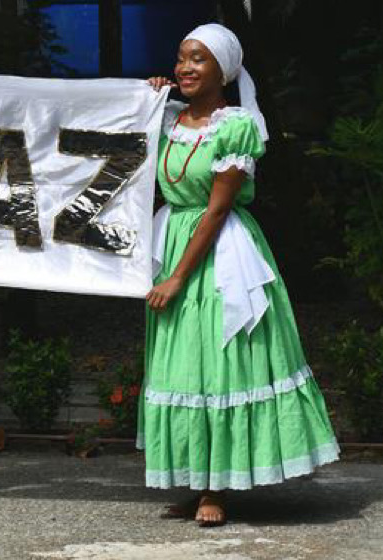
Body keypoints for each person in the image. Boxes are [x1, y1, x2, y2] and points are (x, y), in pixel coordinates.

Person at [141, 23, 339, 527]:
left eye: (199, 59)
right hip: (175, 240)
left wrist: (178, 277)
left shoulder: (236, 128)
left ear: (223, 70)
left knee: (224, 362)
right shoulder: (167, 120)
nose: (186, 67)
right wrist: (141, 101)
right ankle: (195, 478)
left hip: (219, 252)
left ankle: (217, 489)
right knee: (185, 366)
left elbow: (215, 210)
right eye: (182, 57)